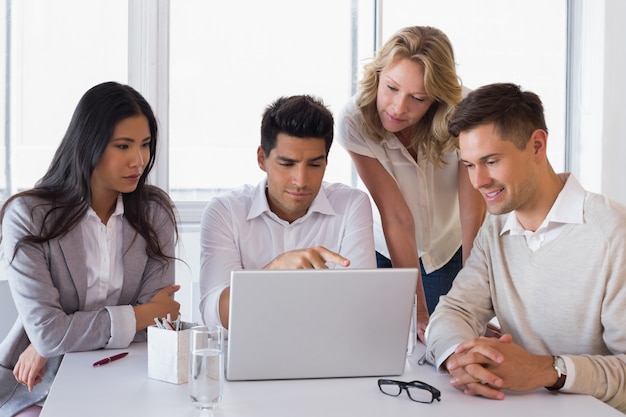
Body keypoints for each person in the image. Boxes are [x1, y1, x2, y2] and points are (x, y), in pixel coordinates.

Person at [424, 82, 626, 413]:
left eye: (490, 161)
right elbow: (456, 310)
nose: (478, 182)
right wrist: (461, 356)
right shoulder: (495, 227)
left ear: (536, 145)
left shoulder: (613, 234)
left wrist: (547, 371)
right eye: (469, 165)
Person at [0, 82, 181, 417]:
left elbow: (156, 327)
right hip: (38, 387)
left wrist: (58, 339)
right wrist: (141, 314)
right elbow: (49, 333)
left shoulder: (154, 211)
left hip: (130, 375)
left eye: (145, 145)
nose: (139, 160)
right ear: (88, 144)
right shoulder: (28, 216)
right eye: (123, 146)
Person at [337, 26, 485, 343]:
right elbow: (396, 216)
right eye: (391, 88)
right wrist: (417, 311)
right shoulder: (354, 120)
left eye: (417, 98)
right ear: (377, 75)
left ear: (436, 100)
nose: (398, 108)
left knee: (451, 341)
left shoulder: (466, 112)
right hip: (387, 249)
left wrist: (476, 296)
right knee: (390, 342)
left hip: (449, 248)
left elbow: (472, 208)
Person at [200, 95, 376, 329]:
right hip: (250, 355)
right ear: (262, 159)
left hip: (328, 353)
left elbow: (363, 308)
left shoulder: (352, 205)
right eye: (287, 164)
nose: (301, 181)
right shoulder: (225, 212)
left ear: (326, 162)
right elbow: (214, 318)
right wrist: (274, 271)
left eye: (314, 165)